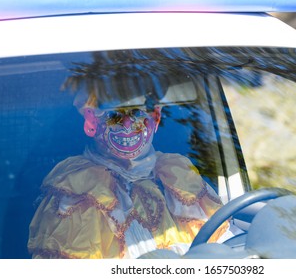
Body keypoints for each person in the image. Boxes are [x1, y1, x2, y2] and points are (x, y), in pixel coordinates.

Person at [27, 91, 229, 259]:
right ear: (91, 123)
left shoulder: (178, 174)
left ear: (155, 117)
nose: (126, 124)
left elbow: (222, 250)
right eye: (113, 115)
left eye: (137, 113)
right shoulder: (77, 189)